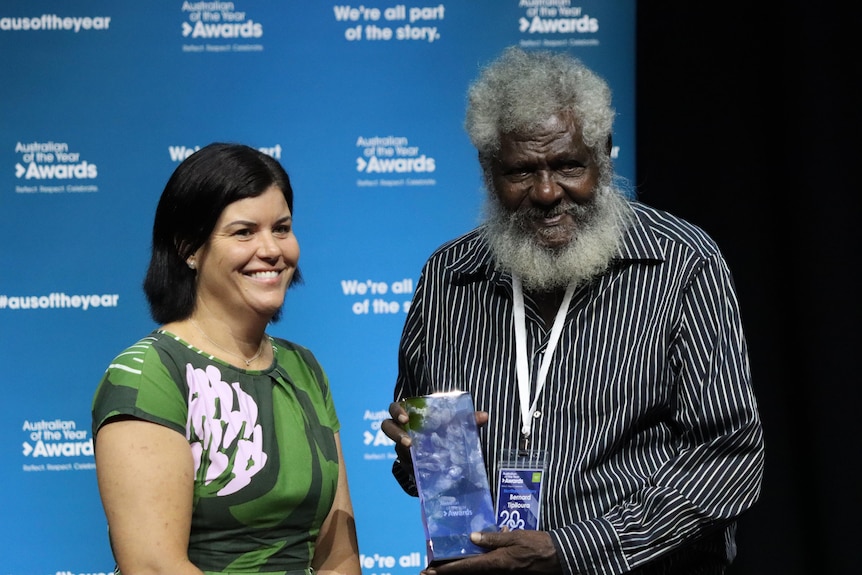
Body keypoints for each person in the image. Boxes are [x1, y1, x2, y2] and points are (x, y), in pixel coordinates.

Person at [381, 47, 764, 574]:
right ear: (488, 170)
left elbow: (728, 456)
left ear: (603, 155)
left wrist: (572, 552)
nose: (545, 192)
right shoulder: (450, 277)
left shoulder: (681, 264)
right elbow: (418, 469)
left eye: (567, 165)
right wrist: (417, 450)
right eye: (520, 172)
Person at [91, 143, 361, 575]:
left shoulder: (303, 367)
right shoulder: (150, 373)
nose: (271, 250)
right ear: (189, 248)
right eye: (244, 232)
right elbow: (154, 565)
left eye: (282, 228)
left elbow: (338, 553)